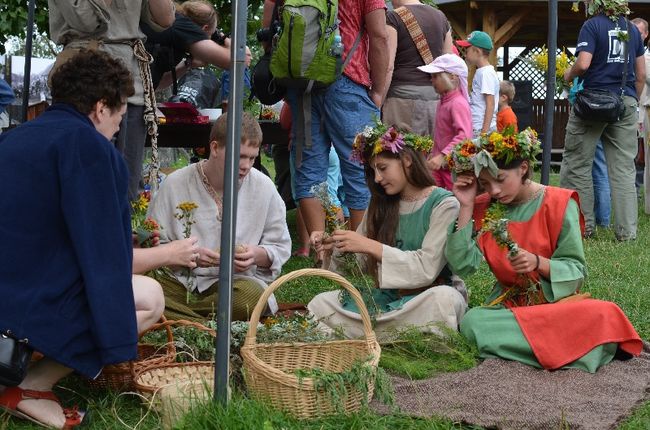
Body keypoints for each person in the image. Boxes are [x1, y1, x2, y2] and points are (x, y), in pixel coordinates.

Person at [0, 50, 164, 429]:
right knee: (148, 298)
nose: (118, 129)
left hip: (11, 290)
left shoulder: (12, 139)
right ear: (101, 107)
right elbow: (105, 255)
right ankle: (30, 388)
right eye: (120, 118)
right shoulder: (90, 148)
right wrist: (116, 338)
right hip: (25, 305)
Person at [444, 128, 642, 372]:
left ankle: (535, 347)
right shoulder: (483, 207)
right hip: (510, 311)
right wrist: (465, 206)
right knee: (474, 322)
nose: (494, 190)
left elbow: (576, 272)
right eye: (485, 183)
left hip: (556, 308)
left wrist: (538, 262)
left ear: (523, 168)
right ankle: (573, 350)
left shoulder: (558, 202)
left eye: (500, 179)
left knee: (606, 313)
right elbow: (462, 264)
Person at [308, 122, 467, 339]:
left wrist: (371, 246)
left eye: (382, 168)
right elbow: (359, 269)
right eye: (373, 171)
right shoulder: (380, 203)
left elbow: (426, 267)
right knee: (321, 304)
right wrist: (339, 246)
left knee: (445, 300)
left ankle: (370, 334)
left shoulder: (444, 204)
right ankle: (394, 334)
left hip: (425, 297)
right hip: (384, 299)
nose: (377, 179)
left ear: (407, 160)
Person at [147, 112, 291, 322]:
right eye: (239, 156)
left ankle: (183, 321)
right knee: (143, 287)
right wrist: (188, 258)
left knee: (251, 297)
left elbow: (279, 247)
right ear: (214, 148)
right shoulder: (175, 184)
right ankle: (209, 325)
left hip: (236, 283)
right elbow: (153, 244)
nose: (246, 165)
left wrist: (255, 254)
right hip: (180, 282)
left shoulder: (264, 187)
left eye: (252, 157)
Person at [281, 0, 390, 242]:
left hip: (304, 84)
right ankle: (359, 253)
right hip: (348, 80)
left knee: (309, 169)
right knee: (361, 168)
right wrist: (378, 91)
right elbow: (380, 36)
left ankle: (321, 251)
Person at [48, 0, 175, 203]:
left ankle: (124, 232)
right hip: (84, 76)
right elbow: (86, 21)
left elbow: (165, 19)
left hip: (132, 78)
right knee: (88, 182)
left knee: (127, 186)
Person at [561, 0, 646, 240]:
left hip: (592, 105)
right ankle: (627, 233)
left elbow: (583, 63)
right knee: (623, 170)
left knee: (577, 165)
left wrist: (568, 74)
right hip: (625, 102)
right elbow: (641, 75)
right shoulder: (631, 29)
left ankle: (583, 227)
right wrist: (630, 100)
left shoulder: (592, 25)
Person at [383, 0, 453, 136]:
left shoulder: (393, 17)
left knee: (400, 153)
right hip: (435, 99)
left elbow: (388, 66)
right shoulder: (441, 17)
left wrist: (378, 99)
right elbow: (448, 64)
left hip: (402, 98)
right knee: (430, 153)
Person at [142, 0, 230, 91]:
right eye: (211, 34)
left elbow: (155, 84)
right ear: (205, 28)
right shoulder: (182, 27)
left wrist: (188, 63)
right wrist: (223, 37)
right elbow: (233, 61)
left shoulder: (174, 30)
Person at [418, 53, 472, 190]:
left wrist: (442, 156)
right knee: (435, 196)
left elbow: (464, 136)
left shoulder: (457, 103)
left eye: (435, 76)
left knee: (453, 201)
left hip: (452, 169)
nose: (432, 80)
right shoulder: (443, 101)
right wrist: (434, 153)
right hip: (440, 165)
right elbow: (442, 134)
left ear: (452, 77)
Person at [457, 31, 500, 137]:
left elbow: (490, 104)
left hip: (481, 129)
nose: (465, 54)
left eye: (467, 50)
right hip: (478, 127)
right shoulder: (482, 71)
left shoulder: (486, 73)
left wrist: (484, 134)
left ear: (477, 51)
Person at [220, 46, 252, 111]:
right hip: (235, 116)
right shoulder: (232, 71)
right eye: (248, 55)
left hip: (246, 113)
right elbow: (226, 101)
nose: (251, 58)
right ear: (240, 55)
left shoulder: (245, 72)